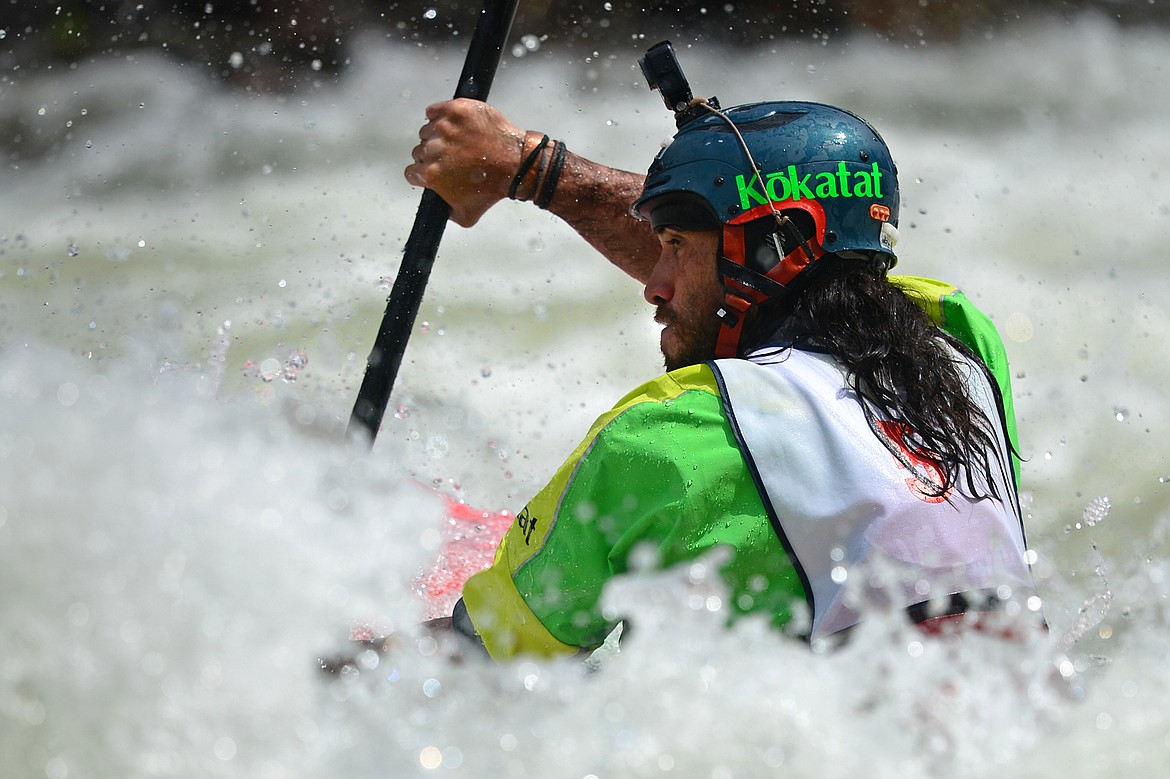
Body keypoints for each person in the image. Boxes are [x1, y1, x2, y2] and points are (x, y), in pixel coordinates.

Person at [403, 79, 1039, 662]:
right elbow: (805, 261)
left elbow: (484, 661)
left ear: (771, 251)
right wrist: (533, 170)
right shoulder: (961, 343)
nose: (653, 285)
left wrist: (314, 667)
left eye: (674, 246)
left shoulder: (667, 433)